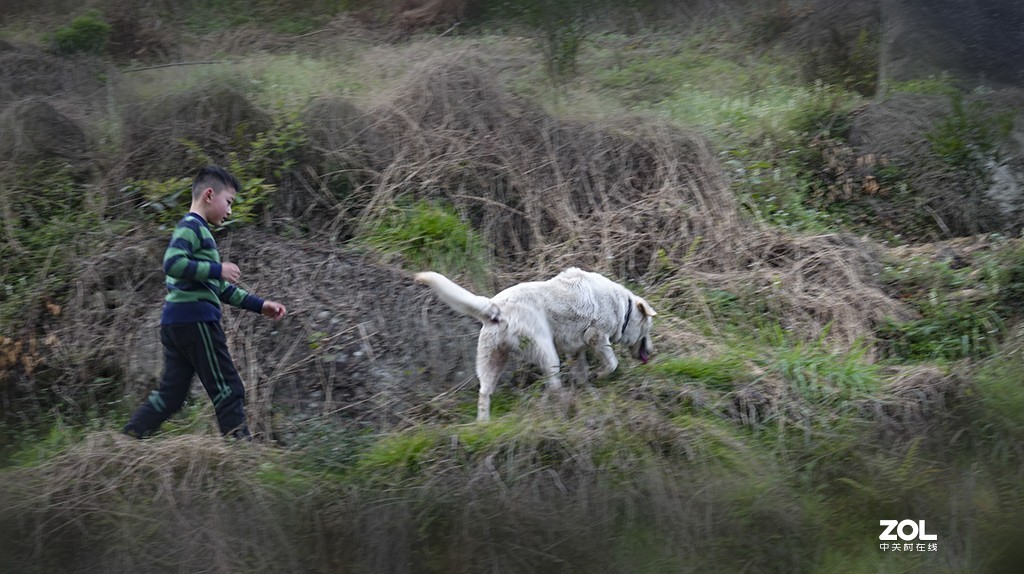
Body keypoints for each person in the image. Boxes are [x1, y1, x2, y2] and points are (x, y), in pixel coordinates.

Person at [123, 165, 286, 440]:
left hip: (177, 323)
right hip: (196, 321)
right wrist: (216, 269)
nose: (230, 210)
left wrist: (261, 305)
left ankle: (127, 440)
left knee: (172, 396)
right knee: (228, 388)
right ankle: (240, 454)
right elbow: (173, 263)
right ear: (209, 195)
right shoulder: (192, 227)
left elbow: (219, 289)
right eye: (229, 202)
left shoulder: (197, 232)